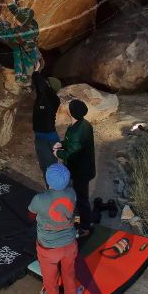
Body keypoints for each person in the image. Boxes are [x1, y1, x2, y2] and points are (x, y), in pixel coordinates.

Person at [28, 163, 79, 294]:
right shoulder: (71, 193)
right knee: (69, 281)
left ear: (47, 180)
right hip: (70, 245)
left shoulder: (39, 199)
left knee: (51, 287)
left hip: (48, 249)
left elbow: (31, 216)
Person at [54, 100, 95, 236]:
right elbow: (70, 142)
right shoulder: (83, 124)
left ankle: (84, 227)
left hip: (80, 171)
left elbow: (71, 153)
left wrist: (57, 153)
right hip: (83, 168)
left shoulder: (77, 131)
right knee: (79, 195)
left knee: (82, 199)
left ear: (70, 112)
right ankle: (81, 217)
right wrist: (61, 144)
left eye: (69, 108)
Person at [32, 71, 62, 182]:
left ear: (51, 87)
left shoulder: (54, 99)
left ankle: (55, 187)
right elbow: (38, 83)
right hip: (40, 136)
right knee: (45, 165)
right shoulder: (42, 95)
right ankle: (51, 186)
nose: (45, 82)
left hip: (49, 137)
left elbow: (41, 84)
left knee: (50, 166)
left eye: (47, 82)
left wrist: (35, 72)